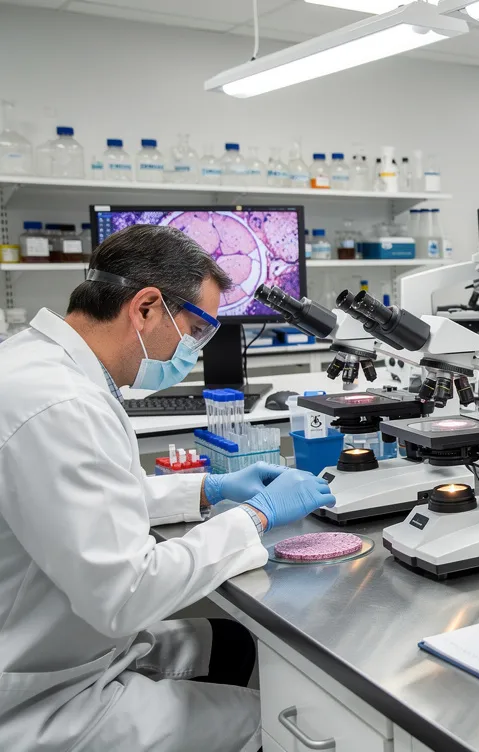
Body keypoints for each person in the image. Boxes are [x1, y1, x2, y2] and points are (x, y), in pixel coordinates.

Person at [0, 225, 335, 751]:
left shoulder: (39, 365)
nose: (197, 350)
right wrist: (256, 516)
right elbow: (128, 595)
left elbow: (80, 505)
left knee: (230, 644)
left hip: (60, 644)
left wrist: (208, 489)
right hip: (37, 698)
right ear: (147, 307)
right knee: (282, 725)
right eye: (197, 329)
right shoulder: (61, 404)